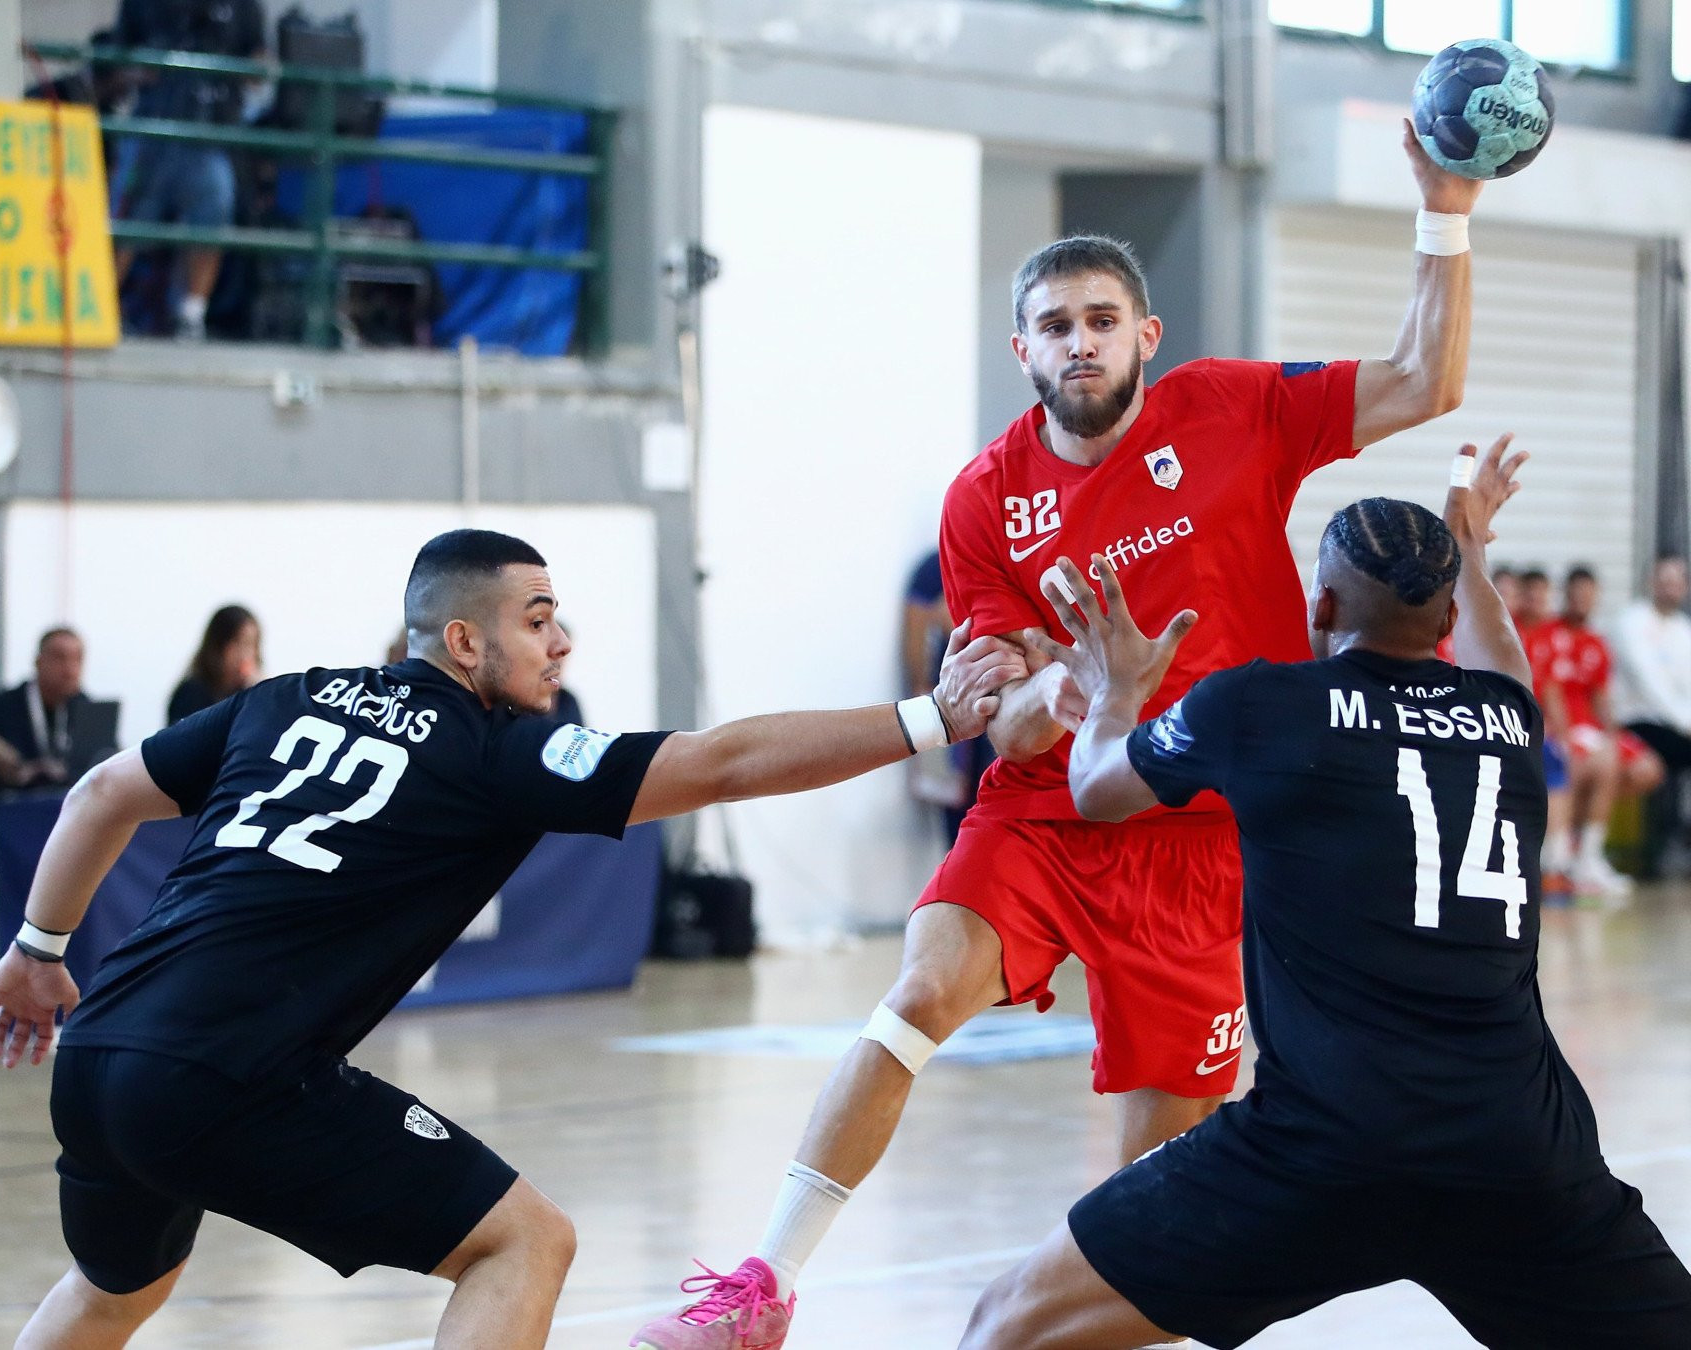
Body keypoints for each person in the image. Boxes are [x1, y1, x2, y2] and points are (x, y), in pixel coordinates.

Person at [634, 122, 1484, 1350]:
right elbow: (1006, 714)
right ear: (1021, 346)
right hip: (1050, 805)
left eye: (1101, 318)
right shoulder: (987, 497)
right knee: (919, 991)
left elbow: (1424, 381)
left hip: (1207, 841)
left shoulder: (1233, 405)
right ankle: (757, 1292)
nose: (1077, 340)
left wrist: (1443, 210)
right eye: (1053, 322)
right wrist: (1081, 692)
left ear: (1145, 336)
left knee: (1155, 1192)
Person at [0, 530, 1023, 1350]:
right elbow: (721, 764)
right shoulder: (497, 751)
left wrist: (36, 949)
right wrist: (931, 716)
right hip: (230, 1072)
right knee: (525, 1241)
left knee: (115, 1290)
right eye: (539, 621)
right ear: (465, 642)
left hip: (104, 1050)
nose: (560, 644)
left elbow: (104, 789)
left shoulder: (280, 698)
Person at [956, 437, 1691, 1350]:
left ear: (1318, 604)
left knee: (1007, 1328)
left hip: (1320, 1148)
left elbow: (1097, 789)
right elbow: (1500, 654)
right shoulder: (1511, 720)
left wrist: (1116, 691)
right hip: (1515, 1147)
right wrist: (1467, 543)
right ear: (1444, 620)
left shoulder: (1260, 705)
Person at [110, 0, 268, 340]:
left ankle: (191, 315)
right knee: (130, 218)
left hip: (210, 129)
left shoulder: (244, 6)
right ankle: (102, 306)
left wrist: (253, 67)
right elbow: (118, 57)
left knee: (213, 211)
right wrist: (142, 69)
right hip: (152, 127)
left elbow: (259, 61)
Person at [1526, 565, 1659, 900]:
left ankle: (1581, 843)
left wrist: (1613, 731)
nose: (1583, 601)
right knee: (1597, 764)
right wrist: (1565, 735)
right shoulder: (1550, 633)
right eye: (1576, 594)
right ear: (1566, 596)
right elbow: (1551, 689)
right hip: (1565, 730)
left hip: (1591, 729)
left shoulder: (1597, 643)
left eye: (1589, 595)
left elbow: (1601, 694)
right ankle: (1585, 857)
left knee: (1648, 769)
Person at [1611, 557, 1691, 879]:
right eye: (1664, 581)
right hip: (1636, 719)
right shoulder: (1632, 621)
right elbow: (1650, 686)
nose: (1670, 589)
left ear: (1685, 588)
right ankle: (1660, 851)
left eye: (1676, 582)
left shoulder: (1687, 630)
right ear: (1652, 583)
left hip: (1679, 724)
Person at [903, 549, 995, 843]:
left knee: (990, 792)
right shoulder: (932, 568)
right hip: (947, 702)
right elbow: (915, 642)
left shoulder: (990, 559)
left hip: (995, 698)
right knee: (953, 802)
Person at [0, 629, 92, 791]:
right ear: (39, 662)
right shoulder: (4, 706)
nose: (70, 670)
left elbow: (103, 759)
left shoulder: (85, 707)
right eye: (60, 658)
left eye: (77, 659)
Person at [167, 604, 263, 724]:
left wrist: (262, 696)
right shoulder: (190, 694)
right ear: (219, 646)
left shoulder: (249, 693)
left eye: (252, 644)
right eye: (240, 643)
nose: (246, 654)